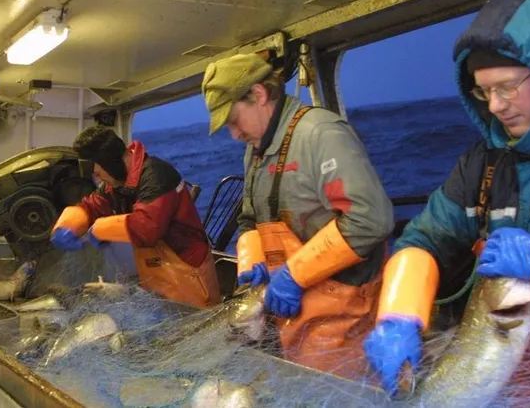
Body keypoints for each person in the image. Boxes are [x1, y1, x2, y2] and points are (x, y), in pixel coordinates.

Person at [363, 0, 530, 405]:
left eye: (508, 87)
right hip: (501, 384)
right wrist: (398, 314)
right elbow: (424, 238)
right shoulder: (480, 164)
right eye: (483, 91)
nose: (495, 105)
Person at [201, 52, 393, 379]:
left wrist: (293, 275)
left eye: (234, 120)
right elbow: (249, 219)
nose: (234, 134)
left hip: (344, 314)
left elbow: (370, 218)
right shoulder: (256, 150)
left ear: (259, 95)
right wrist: (251, 265)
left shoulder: (321, 133)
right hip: (292, 309)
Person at [49, 126, 221, 309]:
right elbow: (91, 206)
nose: (95, 173)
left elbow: (146, 228)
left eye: (96, 164)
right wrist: (66, 226)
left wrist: (99, 230)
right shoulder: (115, 186)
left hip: (189, 279)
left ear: (111, 161)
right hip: (157, 280)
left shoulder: (157, 175)